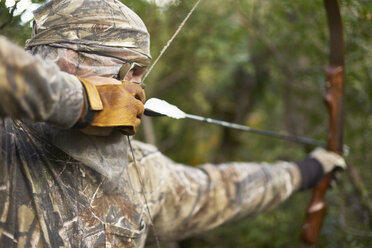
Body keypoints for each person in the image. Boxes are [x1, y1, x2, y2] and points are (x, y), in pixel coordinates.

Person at [0, 0, 346, 247]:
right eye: (127, 70)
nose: (137, 88)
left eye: (141, 74)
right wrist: (82, 103)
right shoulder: (8, 139)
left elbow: (221, 191)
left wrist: (308, 171)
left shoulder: (141, 170)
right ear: (67, 60)